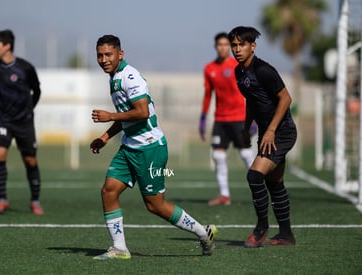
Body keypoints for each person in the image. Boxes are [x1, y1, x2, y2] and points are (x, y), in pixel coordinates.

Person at [90, 34, 217, 260]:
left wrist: (109, 116)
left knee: (155, 206)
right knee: (108, 190)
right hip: (129, 148)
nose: (103, 59)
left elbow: (142, 112)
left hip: (150, 149)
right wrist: (106, 136)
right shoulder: (114, 77)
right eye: (100, 55)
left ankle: (202, 231)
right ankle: (119, 248)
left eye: (108, 54)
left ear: (120, 54)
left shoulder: (130, 77)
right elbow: (127, 116)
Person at [228, 26, 297, 247]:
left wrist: (270, 130)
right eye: (234, 45)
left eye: (242, 45)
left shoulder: (264, 70)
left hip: (281, 132)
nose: (237, 49)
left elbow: (286, 99)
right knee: (274, 183)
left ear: (253, 46)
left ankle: (261, 228)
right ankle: (286, 235)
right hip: (268, 134)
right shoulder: (239, 72)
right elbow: (252, 99)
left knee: (255, 176)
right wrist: (247, 128)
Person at [0, 29, 43, 215]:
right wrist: (2, 111)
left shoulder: (26, 68)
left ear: (7, 45)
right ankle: (2, 199)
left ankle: (35, 200)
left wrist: (28, 111)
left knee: (30, 160)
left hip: (24, 122)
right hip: (3, 121)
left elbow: (37, 91)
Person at [200, 32, 256, 206]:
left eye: (226, 44)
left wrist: (253, 118)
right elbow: (208, 95)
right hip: (220, 120)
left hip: (240, 118)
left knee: (246, 154)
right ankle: (224, 195)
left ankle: (262, 190)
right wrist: (203, 118)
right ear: (215, 47)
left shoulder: (238, 66)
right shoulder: (209, 68)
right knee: (217, 156)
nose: (223, 48)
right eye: (220, 45)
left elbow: (250, 92)